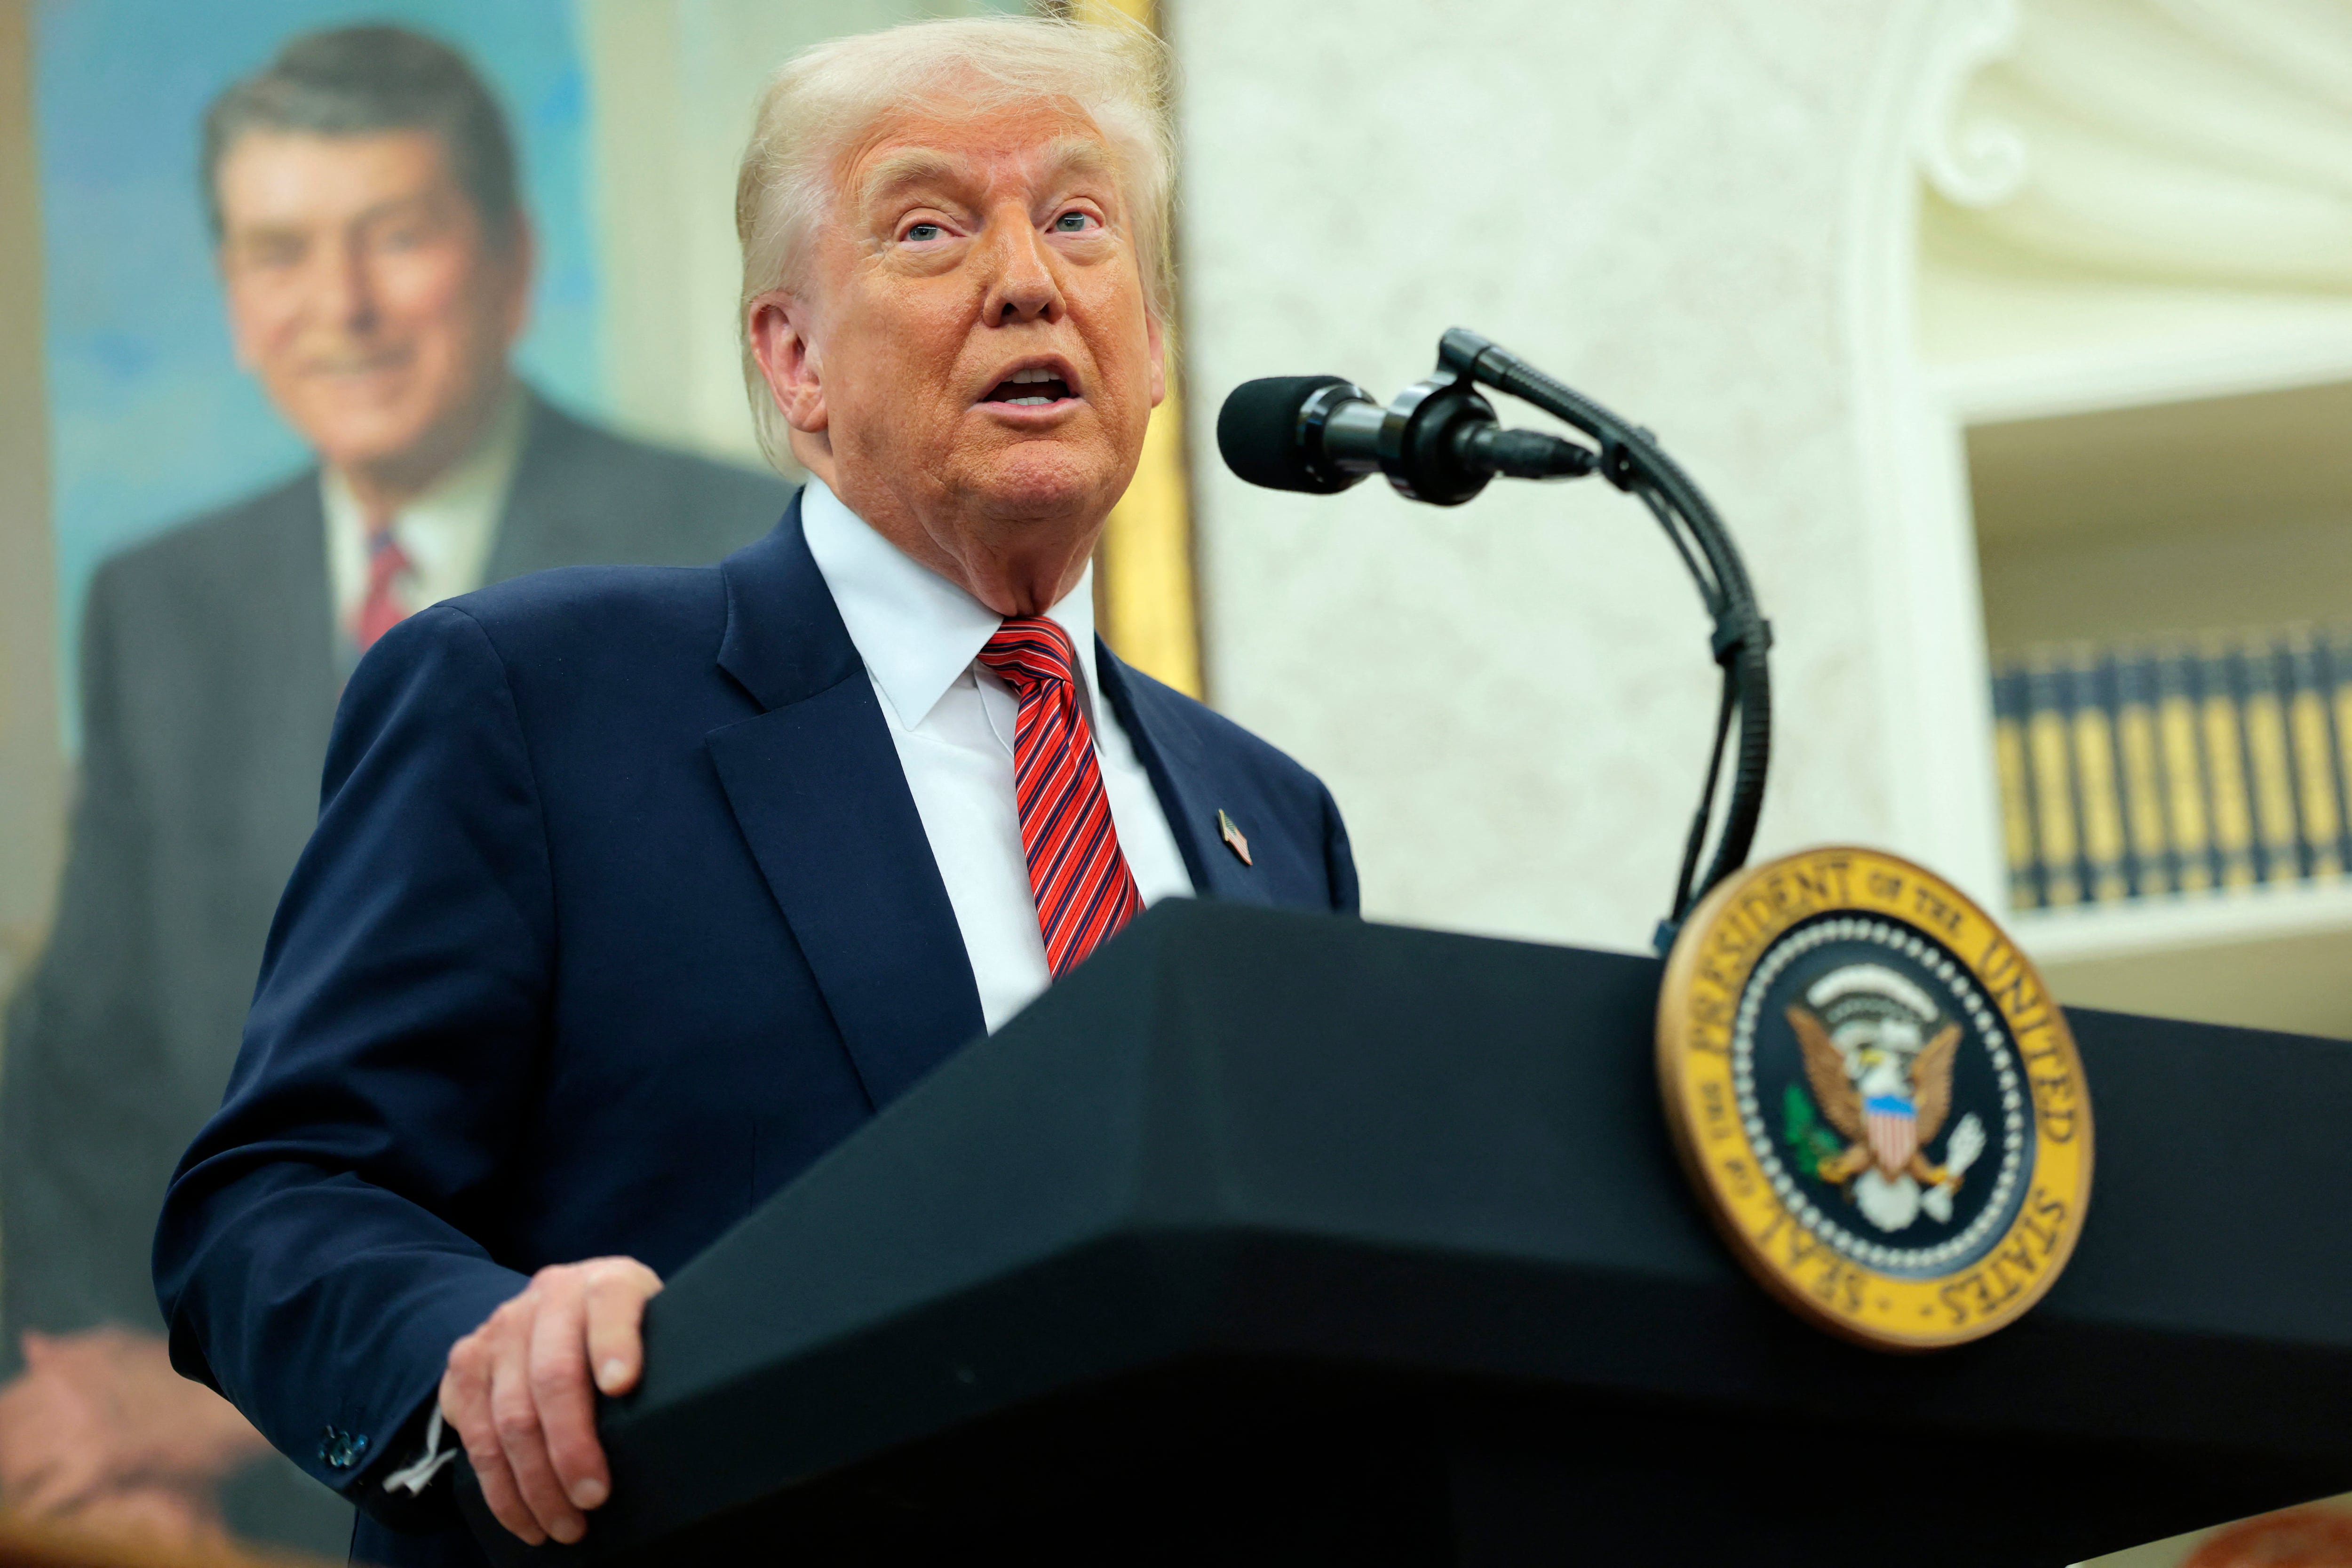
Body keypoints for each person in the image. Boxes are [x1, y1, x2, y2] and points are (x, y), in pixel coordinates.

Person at [152, 14, 1355, 1568]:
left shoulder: (1273, 816)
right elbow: (271, 1205)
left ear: (1150, 345)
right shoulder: (534, 699)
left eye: (1078, 220)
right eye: (930, 226)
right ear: (793, 361)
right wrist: (473, 1345)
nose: (1025, 279)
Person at [0, 25, 788, 1556]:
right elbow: (86, 1082)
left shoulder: (725, 560)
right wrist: (107, 1415)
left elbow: (726, 1114)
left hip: (596, 1461)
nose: (341, 308)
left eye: (397, 237)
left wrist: (228, 1411)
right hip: (204, 1466)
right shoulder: (161, 600)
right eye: (282, 251)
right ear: (233, 295)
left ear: (510, 262)